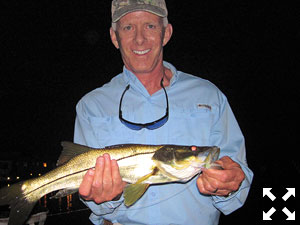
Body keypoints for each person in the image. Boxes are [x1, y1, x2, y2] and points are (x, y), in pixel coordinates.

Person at [74, 0, 253, 224]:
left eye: (150, 26)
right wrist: (105, 198)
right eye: (128, 27)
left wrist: (230, 185)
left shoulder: (209, 96)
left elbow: (239, 179)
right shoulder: (91, 106)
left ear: (166, 33)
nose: (139, 39)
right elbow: (95, 201)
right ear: (114, 36)